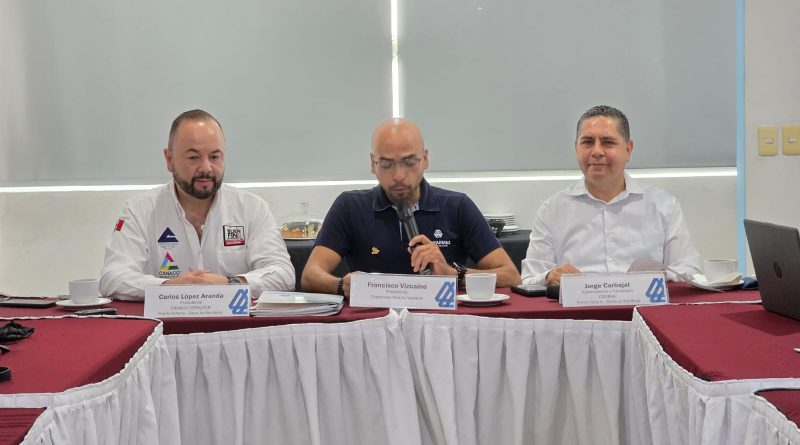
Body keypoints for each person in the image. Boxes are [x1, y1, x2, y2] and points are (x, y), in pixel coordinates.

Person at [301, 117, 521, 297]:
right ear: (373, 164)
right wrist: (343, 286)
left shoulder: (456, 206)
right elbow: (310, 275)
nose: (398, 175)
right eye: (386, 164)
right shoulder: (350, 207)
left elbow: (511, 275)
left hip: (441, 325)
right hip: (372, 324)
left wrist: (454, 274)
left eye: (409, 162)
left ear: (425, 159)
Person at [99, 109, 294, 300]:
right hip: (165, 321)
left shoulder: (252, 208)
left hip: (234, 320)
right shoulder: (139, 211)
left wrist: (230, 284)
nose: (206, 168)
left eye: (215, 157)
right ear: (169, 160)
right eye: (194, 157)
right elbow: (113, 277)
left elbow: (283, 274)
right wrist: (169, 287)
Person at [521, 105, 701, 285]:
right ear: (576, 149)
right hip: (577, 303)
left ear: (628, 150)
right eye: (588, 142)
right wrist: (549, 277)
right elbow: (529, 279)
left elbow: (689, 271)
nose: (597, 152)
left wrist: (661, 276)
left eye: (607, 142)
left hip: (645, 301)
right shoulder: (552, 210)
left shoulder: (663, 206)